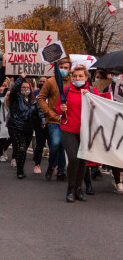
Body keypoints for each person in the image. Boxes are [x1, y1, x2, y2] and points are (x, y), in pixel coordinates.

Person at [55, 64, 99, 202]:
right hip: (68, 129)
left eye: (80, 76)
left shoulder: (92, 90)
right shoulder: (65, 90)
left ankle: (78, 190)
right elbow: (57, 109)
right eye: (75, 76)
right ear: (71, 77)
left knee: (82, 161)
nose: (77, 78)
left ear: (86, 77)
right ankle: (70, 189)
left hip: (85, 130)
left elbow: (98, 109)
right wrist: (62, 108)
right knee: (74, 158)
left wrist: (90, 97)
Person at [38, 59, 72, 181]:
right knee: (55, 144)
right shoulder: (51, 82)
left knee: (62, 146)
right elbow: (41, 98)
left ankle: (61, 171)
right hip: (54, 119)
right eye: (61, 67)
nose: (63, 69)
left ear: (69, 69)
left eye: (66, 67)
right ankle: (52, 165)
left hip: (68, 120)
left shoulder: (73, 82)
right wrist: (48, 112)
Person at [7, 73, 45, 179]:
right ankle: (19, 171)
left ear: (31, 88)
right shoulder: (15, 97)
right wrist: (21, 78)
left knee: (24, 148)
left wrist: (42, 120)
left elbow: (39, 110)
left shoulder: (34, 100)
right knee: (22, 147)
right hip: (16, 126)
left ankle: (21, 168)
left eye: (27, 87)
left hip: (28, 127)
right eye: (23, 87)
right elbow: (14, 89)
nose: (25, 89)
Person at [103, 66, 123, 193]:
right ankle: (118, 181)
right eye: (114, 74)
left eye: (118, 74)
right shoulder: (107, 88)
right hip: (112, 125)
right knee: (115, 154)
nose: (115, 77)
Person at [0, 79, 11, 163]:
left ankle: (5, 148)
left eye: (6, 86)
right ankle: (1, 154)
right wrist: (1, 94)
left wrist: (8, 96)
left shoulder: (10, 95)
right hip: (0, 117)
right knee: (2, 137)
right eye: (2, 86)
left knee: (10, 137)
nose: (4, 88)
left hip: (8, 117)